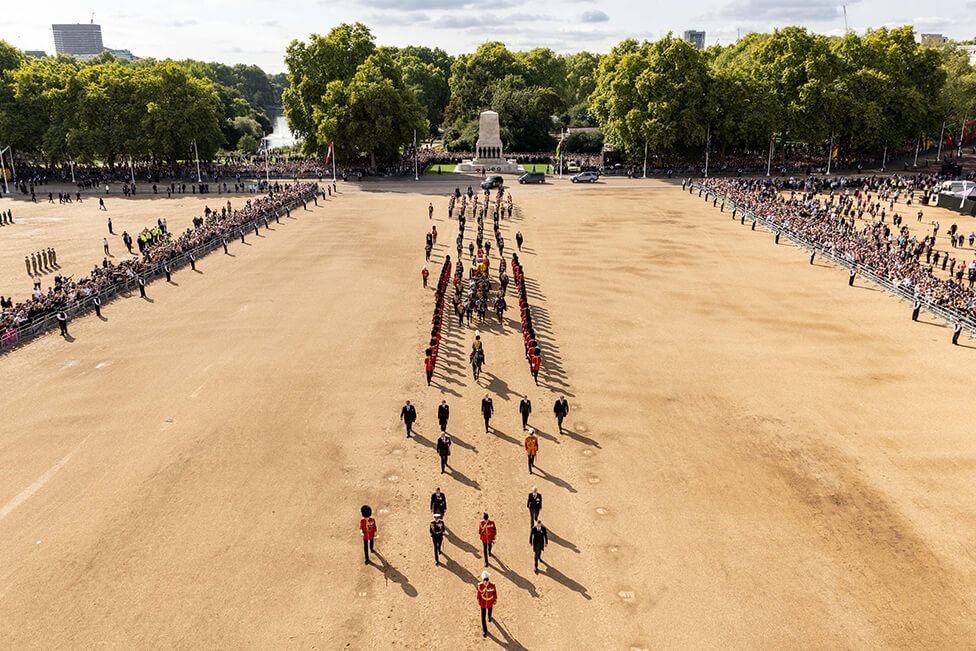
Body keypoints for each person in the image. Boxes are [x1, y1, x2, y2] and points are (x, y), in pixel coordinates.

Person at [477, 571, 497, 638]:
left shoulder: (492, 585)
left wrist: (495, 600)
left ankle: (489, 616)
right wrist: (478, 600)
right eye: (484, 580)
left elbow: (494, 593)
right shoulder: (480, 585)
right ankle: (484, 630)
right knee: (483, 617)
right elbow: (478, 594)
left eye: (487, 580)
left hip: (490, 602)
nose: (486, 582)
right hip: (483, 602)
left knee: (490, 611)